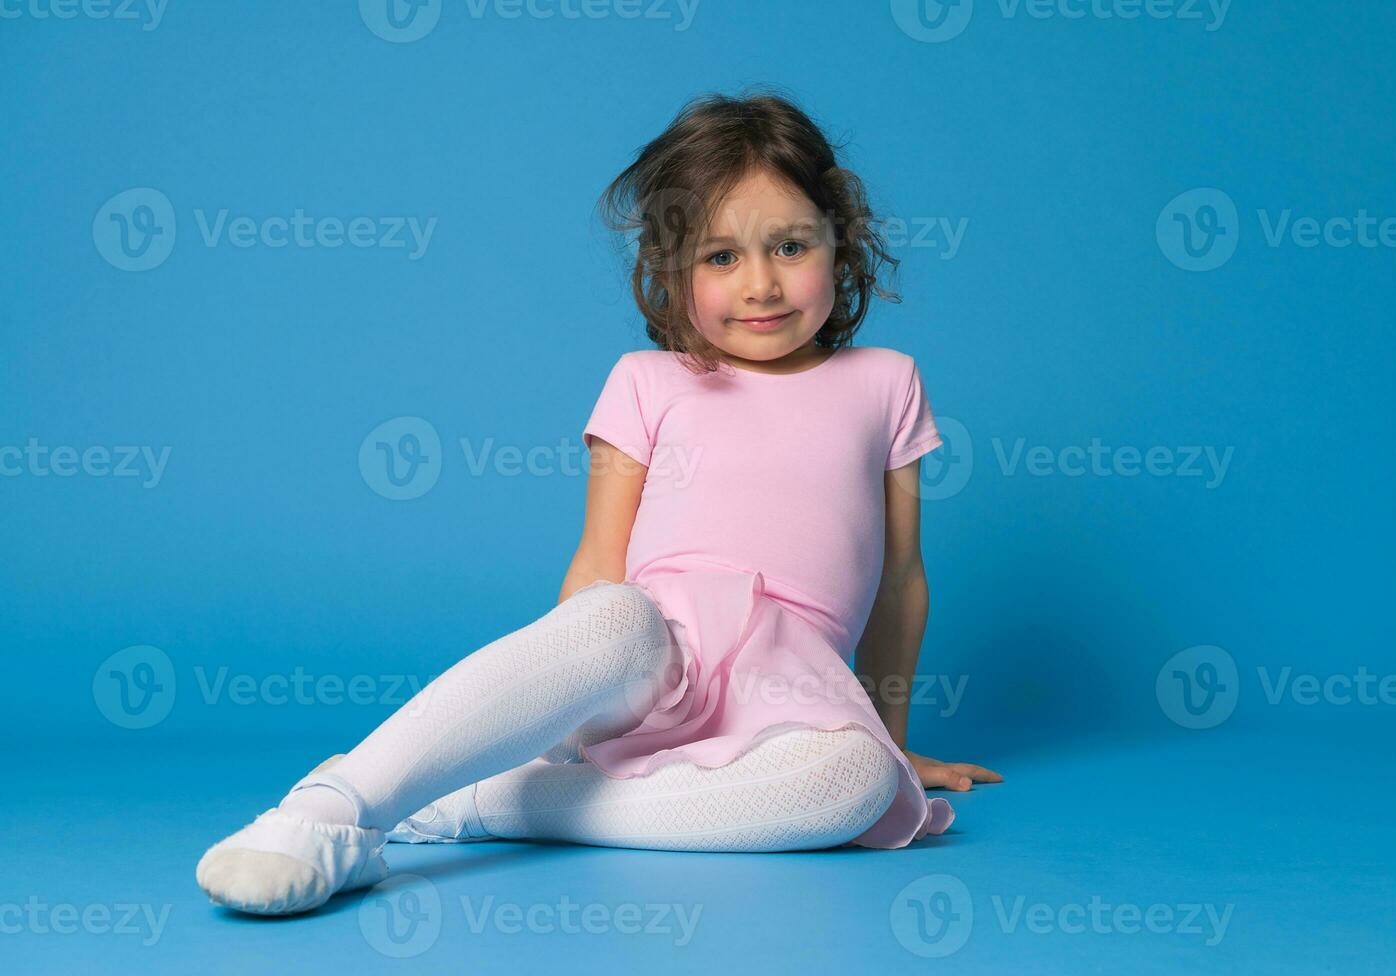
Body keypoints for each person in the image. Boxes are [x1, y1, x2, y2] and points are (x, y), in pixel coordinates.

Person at [195, 88, 1002, 917]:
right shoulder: (647, 381)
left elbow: (900, 580)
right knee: (617, 615)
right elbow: (596, 564)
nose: (760, 284)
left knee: (854, 785)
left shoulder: (885, 382)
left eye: (789, 246)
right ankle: (329, 809)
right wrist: (557, 722)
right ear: (670, 269)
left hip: (792, 682)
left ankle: (477, 803)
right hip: (658, 656)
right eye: (719, 258)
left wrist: (892, 743)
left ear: (841, 242)